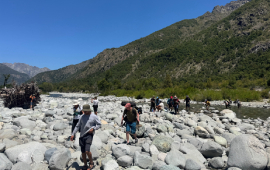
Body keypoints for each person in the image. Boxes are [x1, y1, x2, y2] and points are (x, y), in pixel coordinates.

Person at [70, 104, 101, 170]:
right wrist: (73, 134)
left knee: (87, 150)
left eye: (86, 111)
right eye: (84, 111)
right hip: (82, 135)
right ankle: (85, 164)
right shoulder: (81, 117)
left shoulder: (94, 116)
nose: (85, 112)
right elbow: (77, 126)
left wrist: (93, 128)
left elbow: (99, 124)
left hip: (89, 135)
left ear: (89, 110)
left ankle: (91, 162)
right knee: (83, 152)